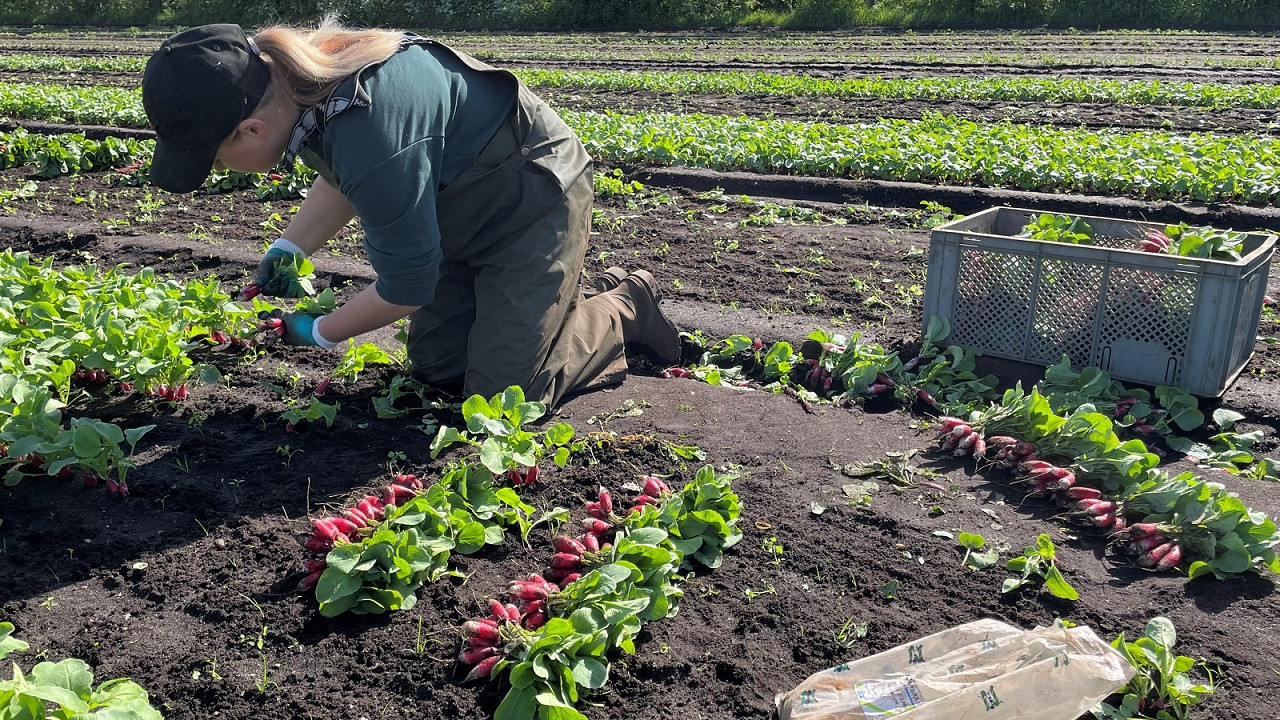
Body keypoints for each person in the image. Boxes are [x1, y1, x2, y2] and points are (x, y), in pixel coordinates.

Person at [140, 18, 680, 407]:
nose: (219, 169)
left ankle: (624, 305)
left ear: (250, 129)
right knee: (440, 369)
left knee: (507, 396)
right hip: (458, 212)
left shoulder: (367, 126)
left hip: (532, 199)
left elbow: (407, 284)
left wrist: (322, 331)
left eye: (214, 157)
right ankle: (541, 308)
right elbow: (341, 180)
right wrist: (290, 248)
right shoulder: (294, 91)